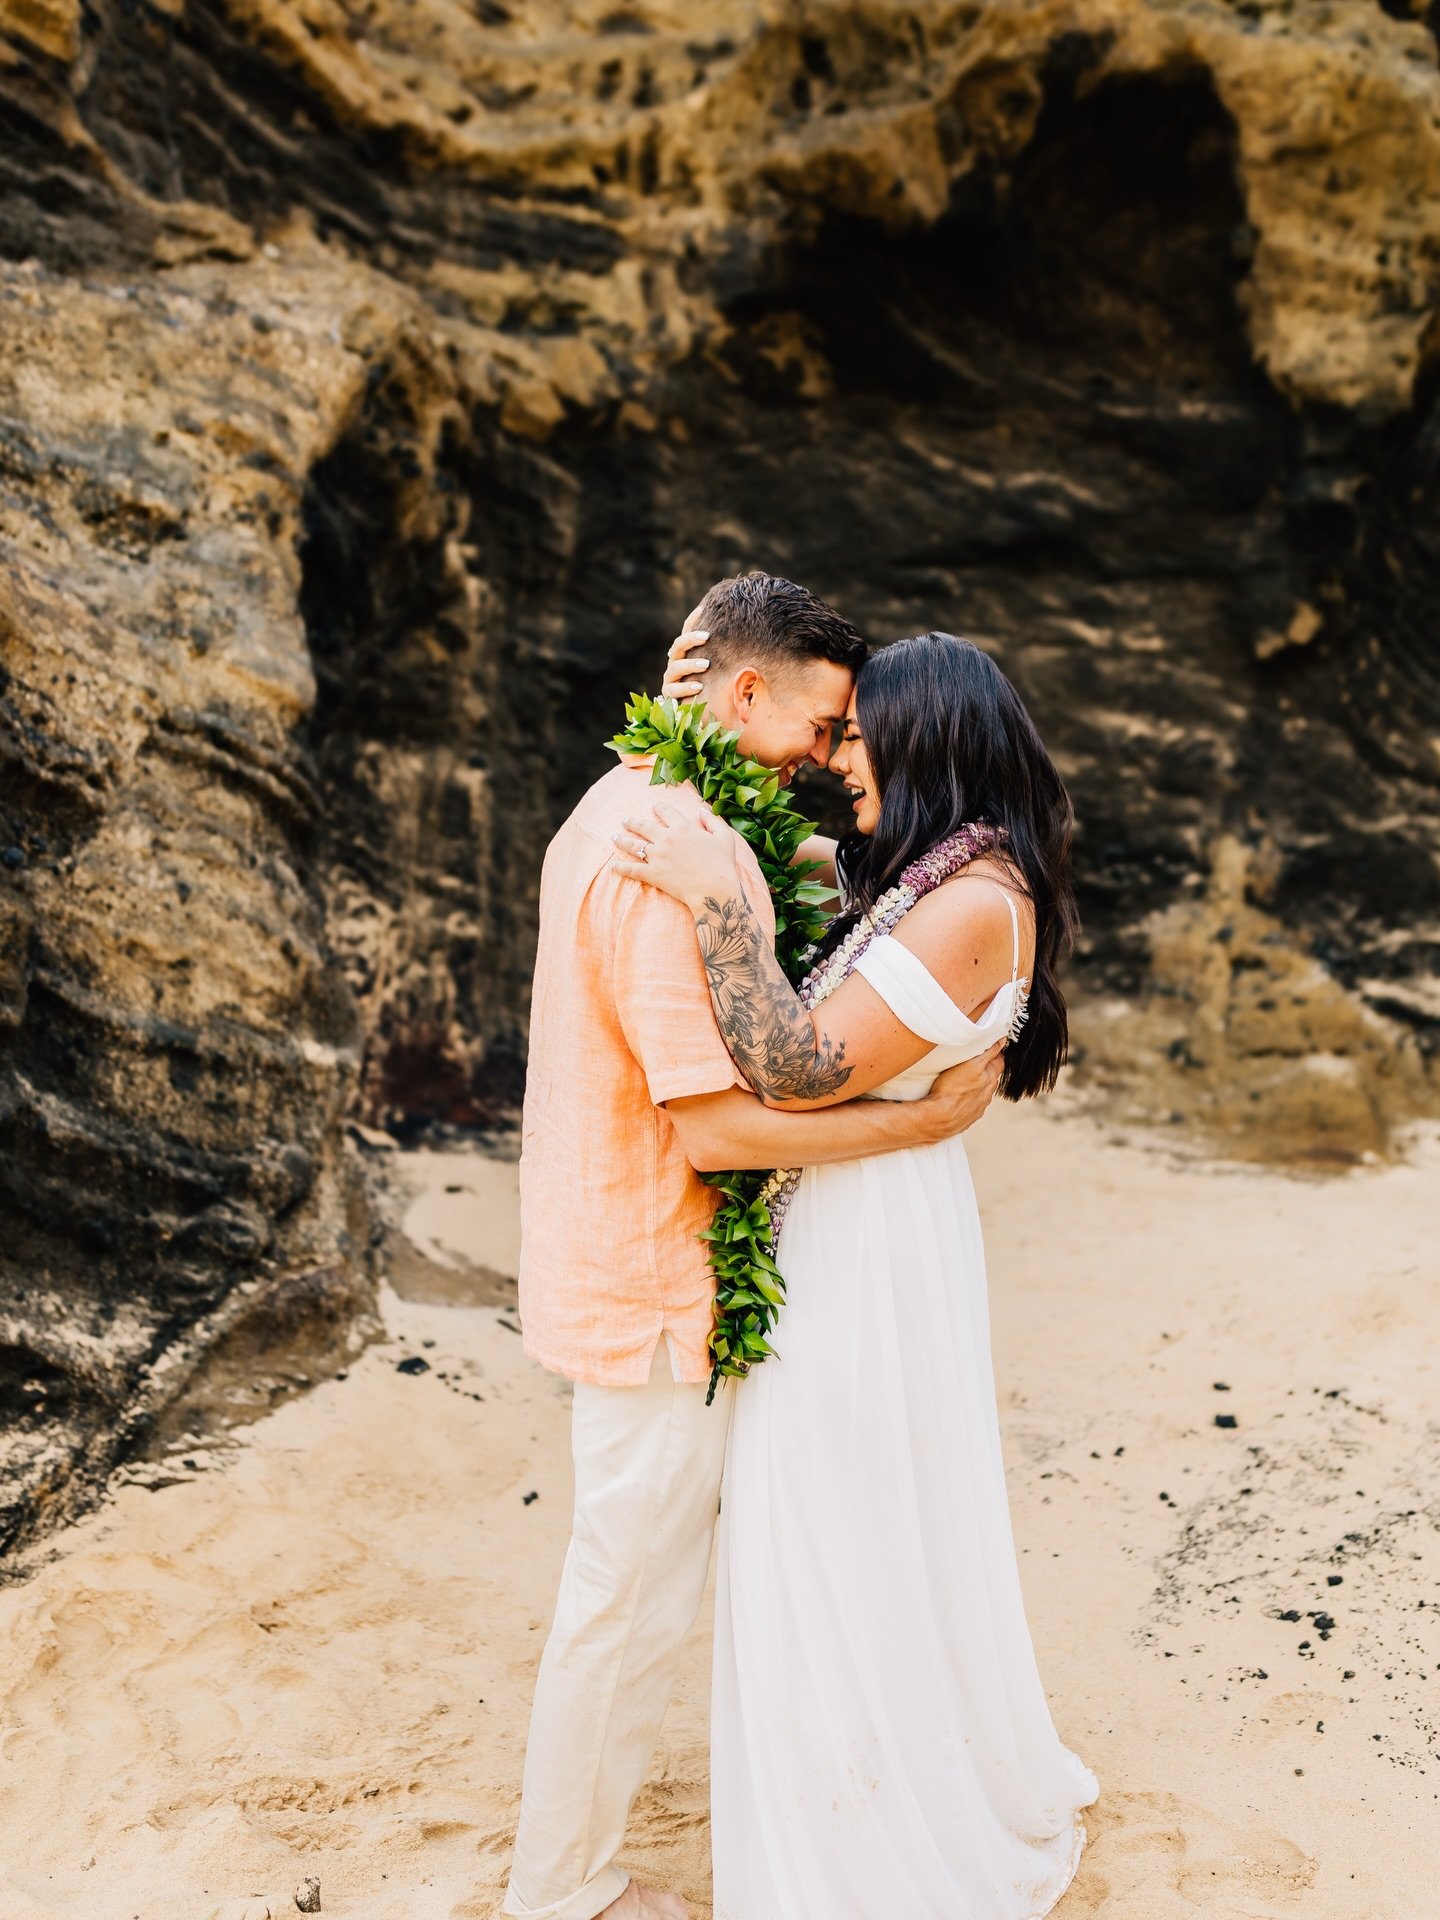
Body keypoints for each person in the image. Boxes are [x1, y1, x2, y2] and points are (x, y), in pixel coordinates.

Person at [506, 579, 1006, 1920]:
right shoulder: (672, 853)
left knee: (643, 1588)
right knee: (626, 1600)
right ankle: (561, 1893)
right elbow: (723, 1127)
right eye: (824, 725)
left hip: (631, 1252)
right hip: (657, 1277)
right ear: (741, 695)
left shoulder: (641, 807)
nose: (831, 757)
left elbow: (811, 891)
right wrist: (921, 1124)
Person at [612, 630, 1099, 1920]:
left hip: (865, 1245)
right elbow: (821, 870)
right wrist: (721, 765)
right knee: (860, 1516)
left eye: (861, 740)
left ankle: (864, 1846)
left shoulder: (972, 905)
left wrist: (719, 898)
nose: (839, 762)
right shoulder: (937, 874)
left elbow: (792, 1068)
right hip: (871, 1217)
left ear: (928, 743)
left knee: (832, 1523)